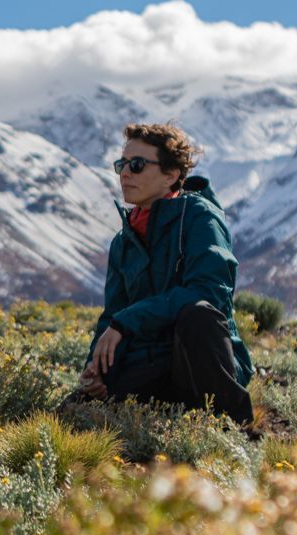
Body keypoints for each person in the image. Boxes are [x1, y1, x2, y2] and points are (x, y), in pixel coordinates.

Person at [79, 123, 254, 424]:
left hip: (199, 364)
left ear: (171, 175)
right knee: (80, 407)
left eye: (136, 165)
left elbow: (209, 293)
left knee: (198, 315)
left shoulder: (200, 218)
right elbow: (113, 315)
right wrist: (94, 365)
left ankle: (233, 427)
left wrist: (127, 321)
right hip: (149, 364)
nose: (124, 174)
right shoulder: (123, 242)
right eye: (122, 165)